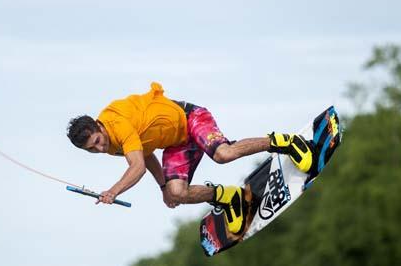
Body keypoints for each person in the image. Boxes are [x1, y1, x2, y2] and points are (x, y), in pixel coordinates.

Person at [66, 82, 319, 234]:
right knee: (176, 193)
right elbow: (146, 153)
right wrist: (164, 187)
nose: (99, 149)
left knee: (223, 154)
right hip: (175, 143)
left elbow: (138, 166)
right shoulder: (109, 144)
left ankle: (285, 142)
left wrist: (113, 191)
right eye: (91, 150)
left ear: (99, 126)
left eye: (97, 142)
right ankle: (230, 198)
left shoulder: (116, 126)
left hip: (190, 118)